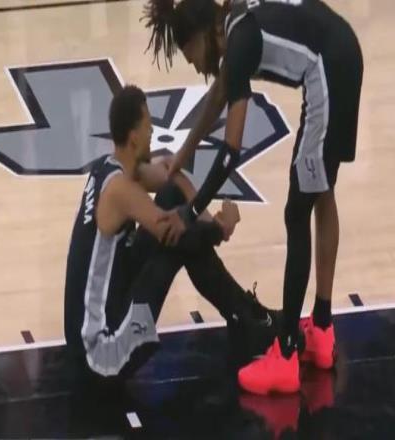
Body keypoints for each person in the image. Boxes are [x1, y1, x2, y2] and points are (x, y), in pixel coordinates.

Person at [142, 0, 363, 394]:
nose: (196, 67)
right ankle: (322, 330)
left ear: (203, 35)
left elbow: (231, 151)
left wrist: (190, 212)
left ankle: (286, 354)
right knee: (321, 190)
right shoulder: (234, 24)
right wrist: (184, 154)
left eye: (192, 56)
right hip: (343, 52)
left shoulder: (239, 42)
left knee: (296, 212)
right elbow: (219, 95)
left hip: (328, 72)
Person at [64, 85, 277, 388]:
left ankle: (243, 317)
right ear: (134, 136)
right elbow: (171, 231)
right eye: (148, 126)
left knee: (172, 200)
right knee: (174, 241)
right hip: (102, 356)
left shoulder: (112, 169)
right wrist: (221, 228)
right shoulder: (121, 191)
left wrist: (205, 215)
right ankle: (244, 319)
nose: (152, 132)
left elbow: (169, 170)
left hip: (98, 322)